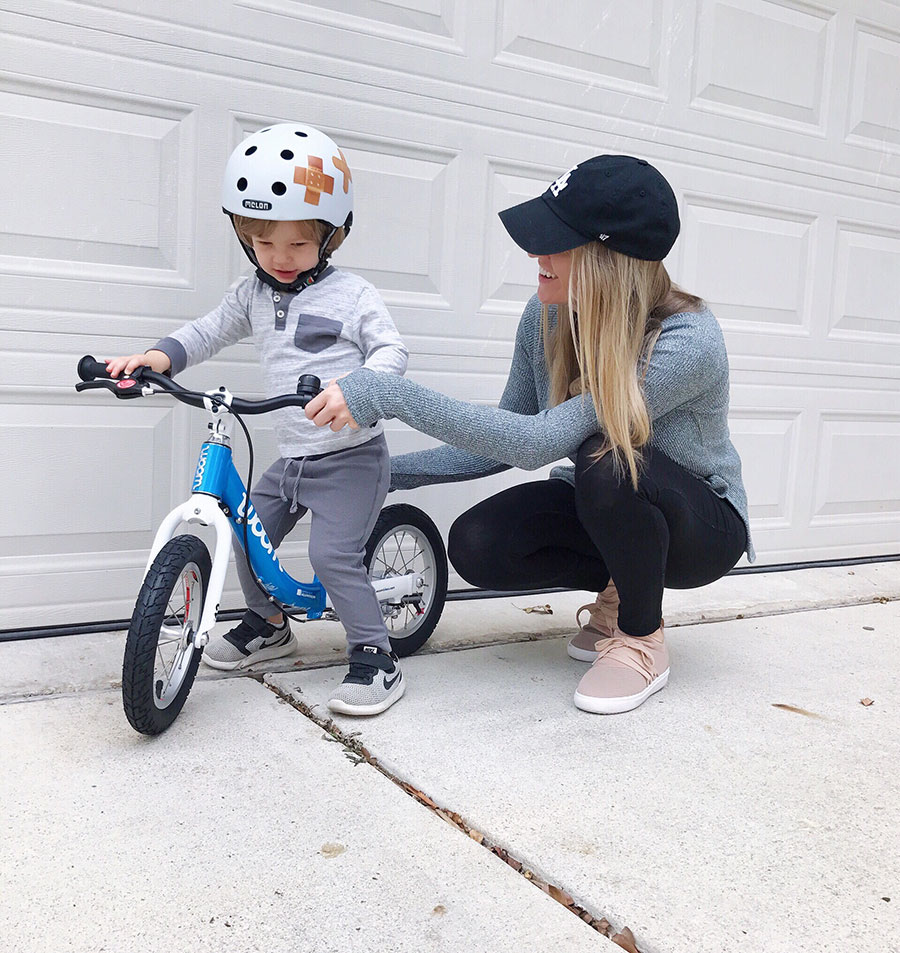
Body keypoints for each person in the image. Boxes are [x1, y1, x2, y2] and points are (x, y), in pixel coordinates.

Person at [304, 154, 752, 715]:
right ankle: (620, 586)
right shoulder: (548, 314)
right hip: (610, 503)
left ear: (610, 260)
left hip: (702, 528)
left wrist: (383, 393)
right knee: (478, 544)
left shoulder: (688, 343)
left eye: (558, 243)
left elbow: (540, 442)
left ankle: (641, 636)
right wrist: (375, 476)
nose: (538, 257)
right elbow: (505, 434)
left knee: (605, 457)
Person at [104, 123, 410, 716]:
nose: (280, 258)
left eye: (298, 244)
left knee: (331, 556)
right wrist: (155, 358)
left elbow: (391, 353)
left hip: (350, 458)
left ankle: (376, 658)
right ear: (246, 239)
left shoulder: (353, 296)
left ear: (332, 235)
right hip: (293, 459)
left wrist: (358, 386)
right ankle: (269, 626)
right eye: (264, 243)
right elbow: (206, 331)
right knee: (245, 533)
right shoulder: (253, 293)